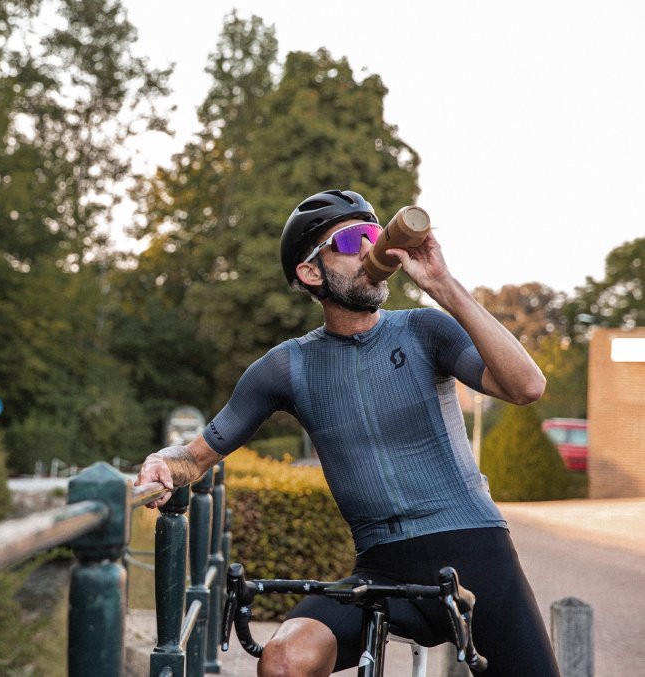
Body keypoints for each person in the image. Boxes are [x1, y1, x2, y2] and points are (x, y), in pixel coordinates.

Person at [136, 189, 561, 676]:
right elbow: (195, 457)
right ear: (311, 272)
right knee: (283, 661)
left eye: (375, 236)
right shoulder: (285, 368)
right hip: (380, 565)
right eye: (353, 239)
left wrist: (442, 284)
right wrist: (161, 463)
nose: (370, 249)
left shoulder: (426, 330)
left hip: (475, 549)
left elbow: (527, 386)